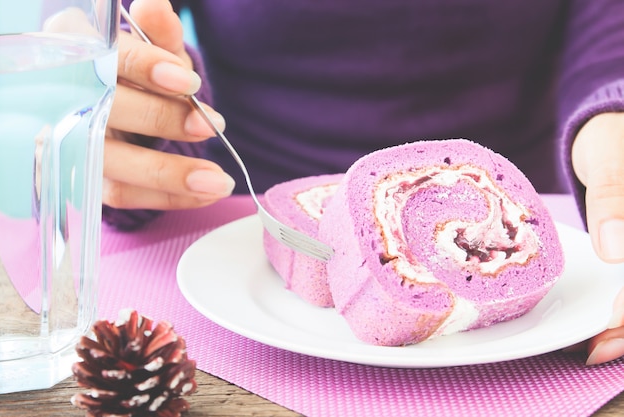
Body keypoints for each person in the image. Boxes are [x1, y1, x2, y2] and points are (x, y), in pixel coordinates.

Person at [107, 0, 624, 365]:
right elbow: (135, 31)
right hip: (245, 194)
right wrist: (142, 123)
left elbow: (610, 40)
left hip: (547, 193)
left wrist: (613, 116)